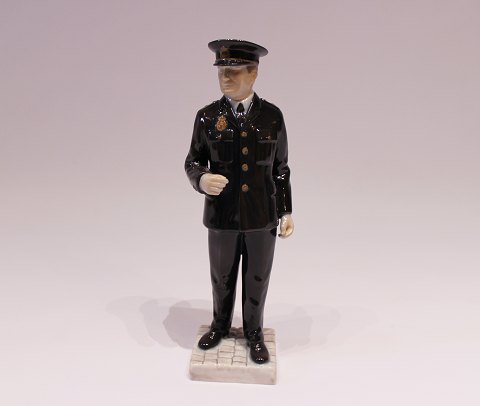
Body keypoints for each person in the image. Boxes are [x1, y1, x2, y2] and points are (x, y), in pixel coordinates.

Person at [184, 39, 294, 364]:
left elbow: (281, 169)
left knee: (257, 277)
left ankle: (253, 332)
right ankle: (219, 325)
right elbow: (193, 161)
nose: (226, 78)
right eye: (221, 72)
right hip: (222, 215)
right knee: (221, 276)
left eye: (233, 72)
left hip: (262, 216)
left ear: (253, 73)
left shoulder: (272, 117)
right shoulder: (207, 117)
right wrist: (202, 179)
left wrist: (286, 211)